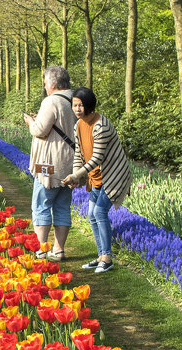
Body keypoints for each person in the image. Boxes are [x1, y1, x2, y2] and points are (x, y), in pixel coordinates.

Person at [62, 87, 132, 273]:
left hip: (113, 176)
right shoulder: (78, 125)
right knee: (92, 214)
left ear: (89, 106)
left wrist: (76, 175)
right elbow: (79, 153)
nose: (77, 109)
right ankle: (101, 255)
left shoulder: (101, 126)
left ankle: (107, 258)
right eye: (74, 105)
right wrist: (76, 173)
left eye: (80, 105)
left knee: (100, 212)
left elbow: (96, 159)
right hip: (96, 177)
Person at [25, 65, 76, 263]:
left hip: (49, 163)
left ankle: (41, 250)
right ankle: (59, 250)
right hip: (71, 162)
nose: (45, 86)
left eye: (46, 82)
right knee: (63, 206)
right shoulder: (75, 98)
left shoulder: (51, 100)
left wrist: (31, 122)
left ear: (53, 83)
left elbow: (40, 131)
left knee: (41, 204)